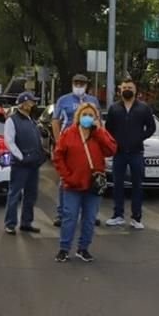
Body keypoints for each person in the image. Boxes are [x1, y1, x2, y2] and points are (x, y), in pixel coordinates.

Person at [52, 103, 116, 262]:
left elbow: (112, 150)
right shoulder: (69, 133)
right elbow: (58, 156)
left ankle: (83, 248)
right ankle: (64, 249)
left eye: (91, 115)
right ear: (78, 116)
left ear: (95, 118)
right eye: (84, 114)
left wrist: (99, 131)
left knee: (89, 219)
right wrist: (67, 176)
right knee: (70, 217)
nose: (87, 117)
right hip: (73, 185)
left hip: (93, 185)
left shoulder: (99, 134)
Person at [104, 78, 155, 229]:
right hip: (119, 153)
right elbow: (108, 129)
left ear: (135, 90)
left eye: (130, 87)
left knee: (137, 185)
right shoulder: (114, 108)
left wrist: (140, 137)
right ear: (120, 90)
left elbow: (151, 127)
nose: (127, 89)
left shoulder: (144, 108)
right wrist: (114, 142)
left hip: (136, 152)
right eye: (124, 87)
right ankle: (118, 215)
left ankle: (136, 218)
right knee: (117, 184)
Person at [51, 74, 100, 227]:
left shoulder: (92, 101)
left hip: (89, 145)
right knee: (65, 180)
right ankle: (62, 214)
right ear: (72, 84)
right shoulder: (63, 100)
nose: (79, 85)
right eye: (76, 83)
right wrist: (59, 142)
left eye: (82, 83)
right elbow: (55, 121)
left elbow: (98, 122)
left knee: (91, 179)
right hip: (69, 145)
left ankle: (90, 214)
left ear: (87, 85)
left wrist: (100, 142)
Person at [3, 91, 45, 235]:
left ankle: (26, 222)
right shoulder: (12, 120)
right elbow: (9, 141)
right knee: (15, 193)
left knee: (31, 194)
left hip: (33, 163)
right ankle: (10, 223)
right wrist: (20, 157)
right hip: (21, 164)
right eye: (31, 102)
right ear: (24, 103)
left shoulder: (31, 120)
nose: (33, 104)